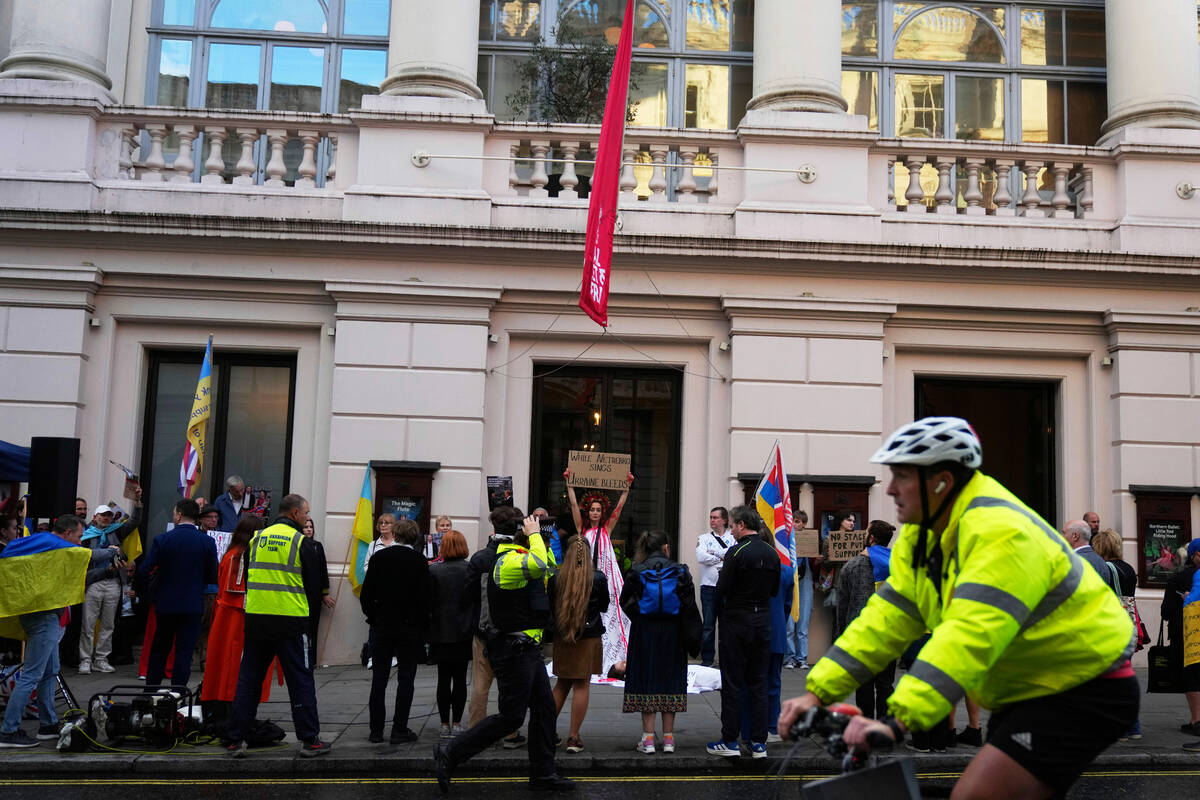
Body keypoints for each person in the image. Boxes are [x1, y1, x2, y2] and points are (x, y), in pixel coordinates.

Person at [779, 416, 1138, 800]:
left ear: (942, 482)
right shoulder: (922, 533)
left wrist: (896, 722)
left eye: (902, 476)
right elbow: (887, 617)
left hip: (1084, 685)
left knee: (976, 794)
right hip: (1027, 688)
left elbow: (969, 634)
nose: (891, 488)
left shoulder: (1000, 532)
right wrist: (817, 692)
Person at [435, 512, 573, 793]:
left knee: (545, 710)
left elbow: (548, 566)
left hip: (527, 649)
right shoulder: (507, 561)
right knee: (511, 717)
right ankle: (451, 752)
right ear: (522, 535)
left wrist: (543, 538)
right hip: (512, 651)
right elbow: (538, 564)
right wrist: (536, 536)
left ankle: (543, 773)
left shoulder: (522, 556)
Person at [226, 493, 331, 758]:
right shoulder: (301, 542)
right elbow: (313, 587)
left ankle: (237, 740)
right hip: (291, 621)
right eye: (306, 512)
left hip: (257, 619)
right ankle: (309, 740)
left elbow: (249, 578)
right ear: (294, 513)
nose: (307, 517)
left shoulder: (257, 539)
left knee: (249, 680)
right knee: (300, 680)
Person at [0, 514, 87, 748]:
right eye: (79, 536)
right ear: (67, 533)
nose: (80, 542)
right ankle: (8, 731)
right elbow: (85, 557)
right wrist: (111, 553)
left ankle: (48, 725)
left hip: (36, 614)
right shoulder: (56, 544)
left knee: (50, 672)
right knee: (32, 674)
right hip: (45, 617)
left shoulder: (38, 541)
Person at [707, 506, 780, 759]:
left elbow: (722, 589)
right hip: (763, 622)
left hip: (737, 621)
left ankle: (730, 739)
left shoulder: (736, 552)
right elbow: (773, 591)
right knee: (759, 683)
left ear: (740, 525)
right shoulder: (772, 553)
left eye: (733, 526)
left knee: (733, 683)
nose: (732, 531)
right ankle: (759, 743)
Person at [621, 530, 699, 755]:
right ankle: (668, 739)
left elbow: (625, 601)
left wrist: (641, 616)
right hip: (673, 632)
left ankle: (647, 740)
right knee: (670, 679)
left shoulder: (637, 570)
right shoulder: (680, 570)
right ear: (666, 547)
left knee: (647, 678)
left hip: (645, 631)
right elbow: (689, 605)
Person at [200, 515, 278, 731]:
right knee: (234, 665)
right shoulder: (242, 556)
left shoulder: (231, 554)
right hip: (237, 618)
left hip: (226, 617)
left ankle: (226, 707)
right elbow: (240, 592)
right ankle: (234, 711)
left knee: (224, 663)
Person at [360, 517, 430, 744]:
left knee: (379, 678)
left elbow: (366, 595)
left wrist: (374, 617)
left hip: (382, 625)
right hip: (409, 627)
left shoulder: (379, 558)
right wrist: (420, 624)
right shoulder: (419, 561)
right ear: (414, 537)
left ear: (396, 534)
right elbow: (425, 597)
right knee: (406, 678)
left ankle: (376, 730)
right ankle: (399, 728)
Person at [138, 497, 219, 688]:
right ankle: (178, 691)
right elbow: (212, 575)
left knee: (160, 648)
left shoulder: (163, 539)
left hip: (166, 602)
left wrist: (152, 589)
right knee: (184, 651)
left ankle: (151, 690)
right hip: (192, 603)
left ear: (179, 515)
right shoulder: (207, 541)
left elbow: (144, 570)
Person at [465, 507, 526, 748]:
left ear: (494, 528)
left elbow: (469, 594)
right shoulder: (520, 555)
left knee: (480, 685)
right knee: (508, 686)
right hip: (512, 631)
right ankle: (510, 734)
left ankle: (475, 733)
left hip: (484, 629)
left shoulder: (480, 558)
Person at [564, 467, 634, 675]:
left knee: (613, 611)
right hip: (587, 576)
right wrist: (569, 485)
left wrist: (626, 489)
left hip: (608, 578)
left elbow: (619, 508)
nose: (595, 512)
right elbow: (574, 505)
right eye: (592, 509)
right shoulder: (582, 529)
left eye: (598, 510)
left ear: (602, 513)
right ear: (588, 512)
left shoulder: (607, 529)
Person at [549, 535, 610, 753]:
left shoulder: (557, 578)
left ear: (567, 554)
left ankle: (545, 732)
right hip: (589, 636)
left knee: (562, 684)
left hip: (564, 635)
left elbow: (551, 606)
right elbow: (604, 606)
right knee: (582, 685)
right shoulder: (598, 578)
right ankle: (573, 738)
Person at [835, 520, 896, 720]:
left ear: (871, 538)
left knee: (864, 685)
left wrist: (842, 635)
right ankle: (885, 726)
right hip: (888, 634)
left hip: (861, 634)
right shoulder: (896, 565)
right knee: (885, 684)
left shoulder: (852, 566)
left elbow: (842, 606)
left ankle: (866, 725)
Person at [79, 493, 142, 674]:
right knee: (88, 624)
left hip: (113, 583)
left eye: (108, 515)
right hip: (93, 583)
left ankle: (101, 659)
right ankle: (85, 660)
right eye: (103, 515)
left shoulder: (116, 531)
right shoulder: (85, 535)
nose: (106, 518)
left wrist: (137, 502)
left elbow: (134, 522)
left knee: (108, 625)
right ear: (95, 517)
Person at [1090, 528, 1141, 742]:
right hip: (1129, 626)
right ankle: (1133, 726)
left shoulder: (1106, 569)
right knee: (1123, 675)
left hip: (1111, 626)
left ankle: (1120, 727)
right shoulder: (1128, 568)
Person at [427, 529, 473, 739]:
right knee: (460, 678)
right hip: (463, 631)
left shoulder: (434, 571)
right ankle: (457, 722)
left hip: (441, 631)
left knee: (443, 678)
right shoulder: (469, 569)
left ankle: (444, 723)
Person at [1162, 539, 1200, 741]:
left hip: (1186, 634)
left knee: (1191, 677)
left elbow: (1166, 611)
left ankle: (1196, 720)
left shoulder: (1179, 578)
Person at [696, 506, 734, 668]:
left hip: (728, 588)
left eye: (715, 517)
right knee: (708, 625)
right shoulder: (704, 538)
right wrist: (722, 556)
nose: (712, 520)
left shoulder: (733, 537)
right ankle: (707, 660)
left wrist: (714, 553)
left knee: (726, 625)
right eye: (711, 517)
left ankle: (726, 659)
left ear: (724, 520)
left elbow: (734, 555)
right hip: (709, 587)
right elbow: (701, 557)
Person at [300, 517, 334, 666]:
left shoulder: (317, 546)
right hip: (299, 594)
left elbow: (322, 570)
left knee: (313, 628)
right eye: (305, 527)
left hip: (314, 595)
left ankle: (311, 660)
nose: (308, 529)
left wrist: (324, 593)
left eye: (310, 527)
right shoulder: (297, 545)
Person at [783, 509, 813, 670]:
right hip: (790, 581)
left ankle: (802, 658)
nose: (794, 524)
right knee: (789, 624)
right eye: (792, 521)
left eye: (797, 522)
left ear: (804, 524)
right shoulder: (784, 540)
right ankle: (789, 657)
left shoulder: (810, 540)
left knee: (803, 625)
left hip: (804, 583)